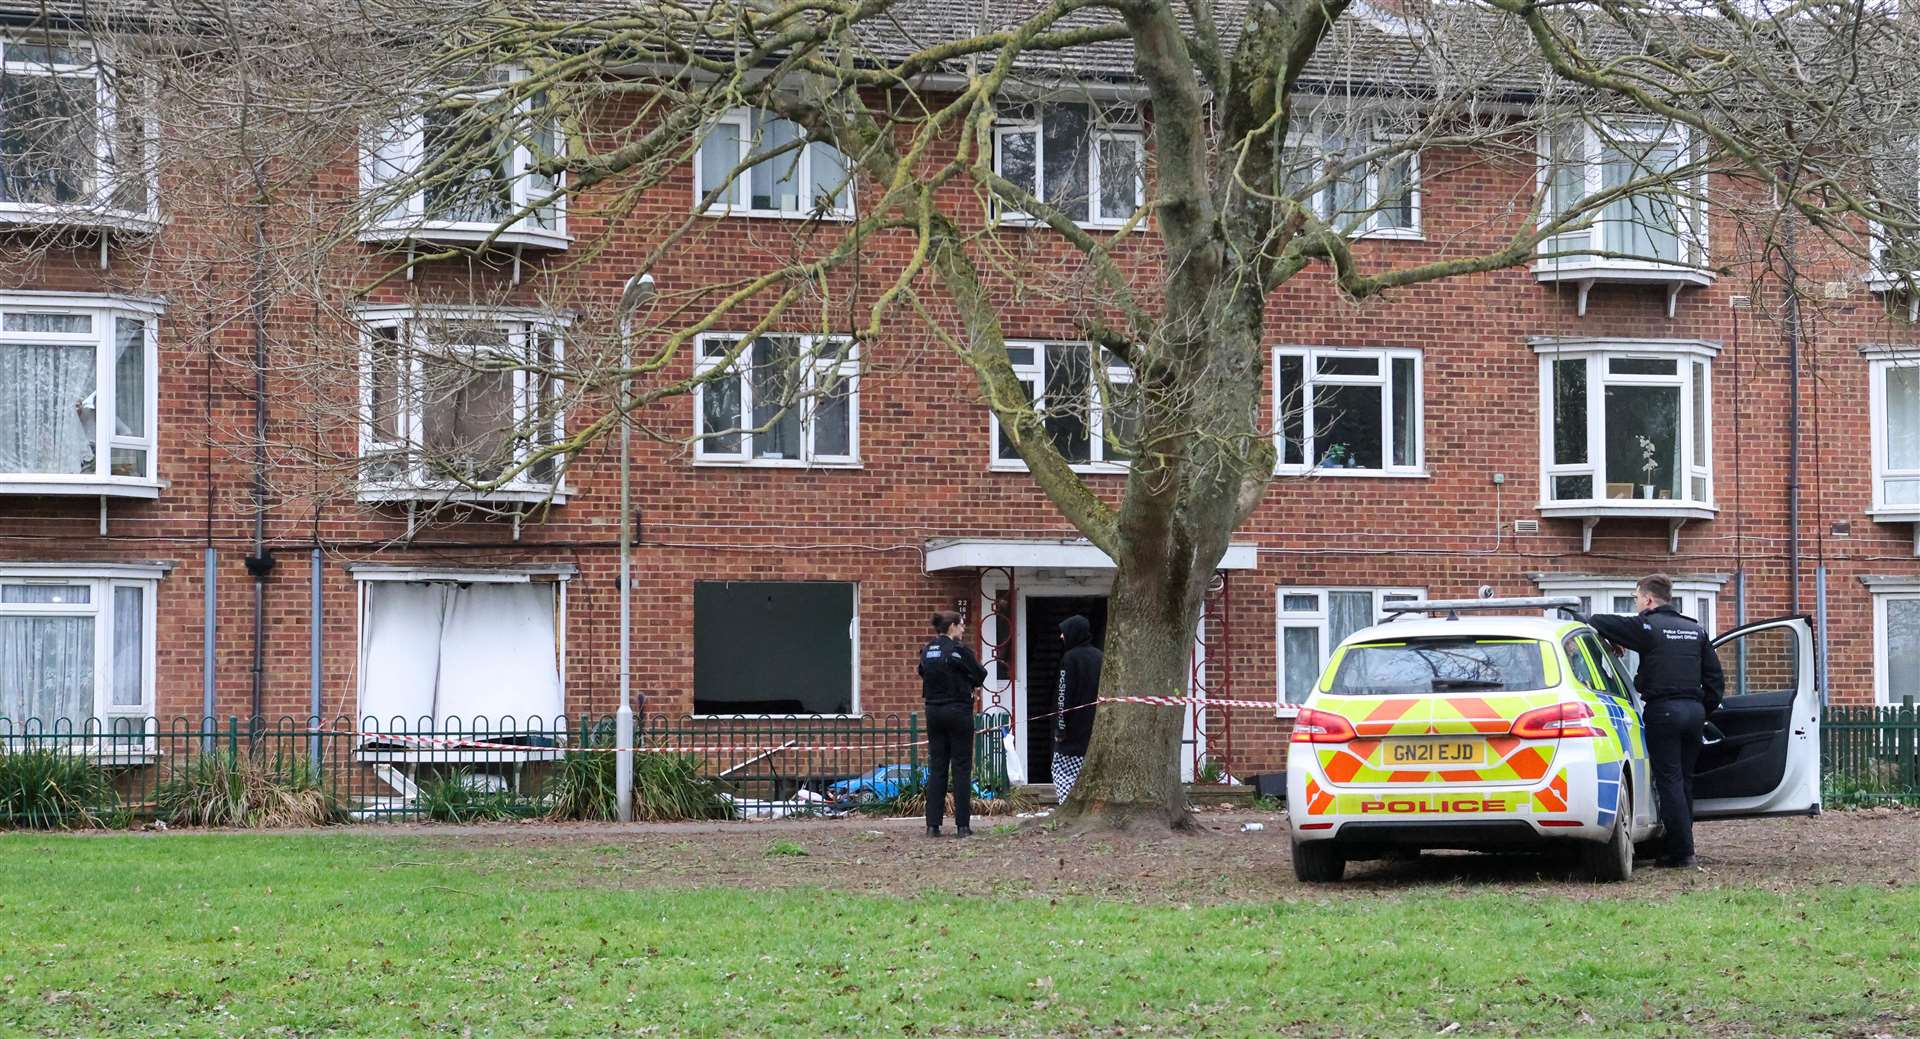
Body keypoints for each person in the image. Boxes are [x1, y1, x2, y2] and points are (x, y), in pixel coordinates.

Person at [1584, 573, 1725, 869]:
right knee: (1684, 781)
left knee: (1669, 781)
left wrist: (1613, 639)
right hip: (1694, 711)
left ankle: (1681, 852)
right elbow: (1715, 681)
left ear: (1648, 599)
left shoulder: (1648, 626)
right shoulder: (1694, 630)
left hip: (1664, 712)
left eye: (1636, 599)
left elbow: (1597, 620)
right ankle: (1683, 845)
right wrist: (1703, 710)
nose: (1636, 604)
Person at [917, 609, 986, 838]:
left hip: (933, 711)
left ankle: (932, 825)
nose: (964, 628)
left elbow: (922, 672)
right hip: (958, 711)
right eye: (962, 624)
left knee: (937, 767)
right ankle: (962, 826)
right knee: (961, 767)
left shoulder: (927, 650)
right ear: (953, 626)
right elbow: (980, 674)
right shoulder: (959, 650)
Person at [1052, 614, 1103, 804]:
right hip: (1094, 724)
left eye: (1064, 633)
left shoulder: (1069, 659)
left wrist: (1060, 727)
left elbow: (1063, 695)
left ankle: (1068, 804)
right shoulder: (1100, 656)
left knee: (1062, 769)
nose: (1061, 637)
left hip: (1073, 727)